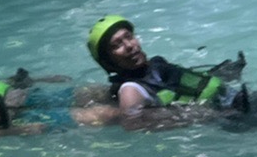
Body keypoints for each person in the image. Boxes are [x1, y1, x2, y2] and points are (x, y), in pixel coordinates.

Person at [76, 15, 247, 125]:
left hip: (233, 102)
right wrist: (212, 115)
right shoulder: (130, 90)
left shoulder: (155, 65)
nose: (129, 46)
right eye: (117, 45)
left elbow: (179, 85)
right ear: (108, 62)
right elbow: (133, 124)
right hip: (231, 119)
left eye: (128, 37)